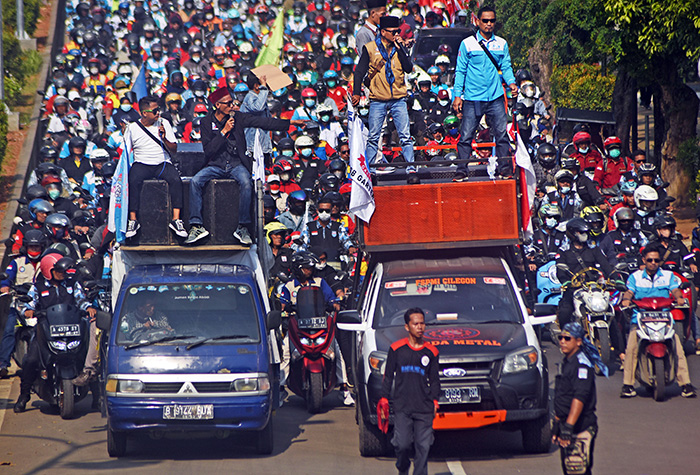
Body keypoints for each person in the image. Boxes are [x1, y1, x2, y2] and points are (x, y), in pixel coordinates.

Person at [186, 87, 302, 245]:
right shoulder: (206, 122)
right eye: (228, 103)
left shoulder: (238, 117)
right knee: (195, 182)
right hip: (216, 164)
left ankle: (243, 227)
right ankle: (196, 225)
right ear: (217, 105)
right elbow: (208, 151)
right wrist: (224, 131)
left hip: (236, 163)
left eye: (233, 102)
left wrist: (290, 123)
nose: (232, 106)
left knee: (246, 182)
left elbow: (263, 122)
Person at [14, 255, 97, 413]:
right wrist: (28, 311)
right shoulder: (38, 287)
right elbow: (28, 303)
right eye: (58, 270)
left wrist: (88, 307)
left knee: (88, 356)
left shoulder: (72, 284)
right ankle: (24, 396)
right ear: (48, 271)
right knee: (31, 360)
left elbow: (80, 299)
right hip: (46, 331)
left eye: (63, 270)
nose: (62, 273)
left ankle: (97, 397)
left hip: (72, 330)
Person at [619, 244, 697, 398]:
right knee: (632, 348)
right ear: (644, 260)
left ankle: (685, 384)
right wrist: (626, 300)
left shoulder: (668, 276)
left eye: (656, 260)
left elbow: (674, 289)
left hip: (664, 318)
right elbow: (629, 292)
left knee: (677, 348)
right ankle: (627, 385)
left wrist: (679, 297)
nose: (653, 262)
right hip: (641, 318)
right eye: (649, 260)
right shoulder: (635, 277)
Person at [452, 6, 517, 181]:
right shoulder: (467, 43)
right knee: (466, 136)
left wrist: (511, 83)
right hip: (473, 98)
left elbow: (506, 67)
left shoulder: (501, 43)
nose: (489, 24)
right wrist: (457, 95)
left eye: (492, 21)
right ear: (477, 21)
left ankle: (505, 169)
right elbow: (460, 71)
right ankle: (461, 170)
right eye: (485, 20)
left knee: (502, 135)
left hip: (495, 97)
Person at [351, 15, 418, 184]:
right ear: (383, 32)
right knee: (374, 136)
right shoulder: (370, 48)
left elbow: (409, 68)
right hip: (378, 99)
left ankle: (411, 169)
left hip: (398, 98)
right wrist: (357, 93)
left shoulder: (399, 47)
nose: (396, 34)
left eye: (398, 31)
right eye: (393, 32)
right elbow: (359, 71)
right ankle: (371, 169)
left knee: (405, 135)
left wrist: (401, 48)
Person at [378, 307, 439, 475]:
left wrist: (435, 401)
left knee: (423, 447)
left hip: (424, 407)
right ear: (407, 327)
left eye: (422, 324)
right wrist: (384, 399)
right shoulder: (397, 349)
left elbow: (434, 380)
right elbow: (388, 376)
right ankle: (402, 468)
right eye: (416, 324)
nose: (420, 327)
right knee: (403, 445)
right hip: (402, 407)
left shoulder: (432, 351)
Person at [123, 95, 185, 239]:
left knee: (176, 180)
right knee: (133, 180)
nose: (158, 113)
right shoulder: (133, 128)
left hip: (162, 162)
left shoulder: (164, 123)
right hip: (142, 163)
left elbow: (174, 148)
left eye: (159, 110)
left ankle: (176, 219)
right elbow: (125, 151)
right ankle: (133, 220)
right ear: (144, 113)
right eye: (155, 111)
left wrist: (163, 138)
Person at [552, 322, 603, 475]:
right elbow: (563, 396)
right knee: (570, 470)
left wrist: (568, 426)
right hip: (567, 425)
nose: (562, 341)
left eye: (568, 338)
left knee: (577, 469)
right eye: (561, 337)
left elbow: (579, 398)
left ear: (578, 341)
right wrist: (558, 424)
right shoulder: (568, 361)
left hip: (580, 427)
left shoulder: (582, 365)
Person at [556, 218, 616, 329]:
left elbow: (605, 265)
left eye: (586, 232)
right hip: (573, 288)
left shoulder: (593, 248)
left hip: (593, 287)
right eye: (581, 232)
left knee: (611, 313)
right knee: (565, 311)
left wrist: (616, 278)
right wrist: (567, 282)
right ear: (573, 233)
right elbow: (560, 270)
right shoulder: (564, 250)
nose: (585, 235)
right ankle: (566, 338)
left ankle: (616, 345)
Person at [0, 229, 44, 378]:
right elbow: (7, 277)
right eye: (32, 247)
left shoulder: (45, 262)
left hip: (39, 305)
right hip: (19, 304)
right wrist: (5, 286)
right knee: (9, 330)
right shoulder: (17, 262)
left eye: (37, 247)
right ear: (26, 247)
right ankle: (3, 365)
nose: (34, 250)